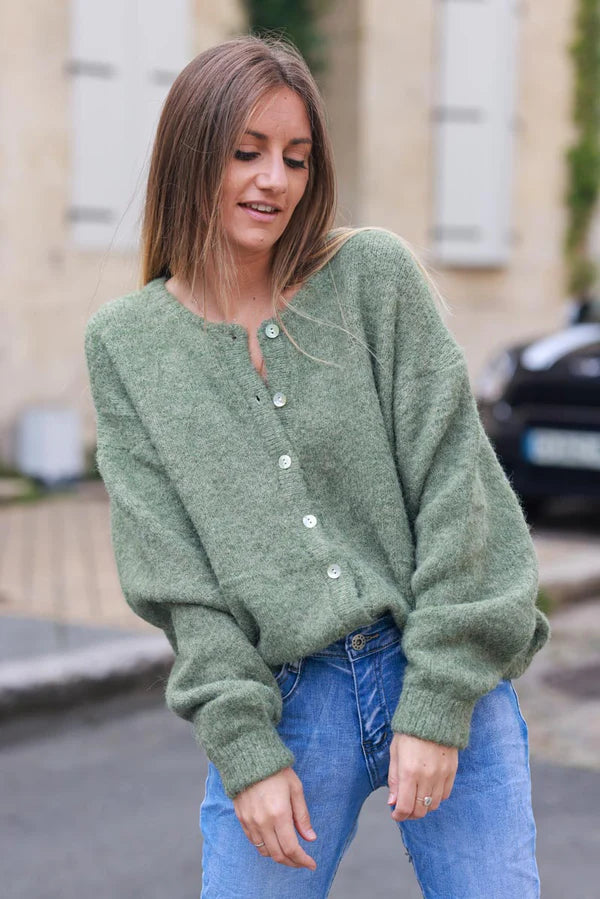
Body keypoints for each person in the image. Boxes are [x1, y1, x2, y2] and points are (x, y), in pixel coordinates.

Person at [84, 34, 551, 898]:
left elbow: (458, 483)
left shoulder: (372, 276)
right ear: (192, 154)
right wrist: (247, 751)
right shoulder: (127, 345)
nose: (276, 181)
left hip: (436, 652)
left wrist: (442, 695)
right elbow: (176, 579)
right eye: (247, 152)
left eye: (295, 158)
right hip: (291, 699)